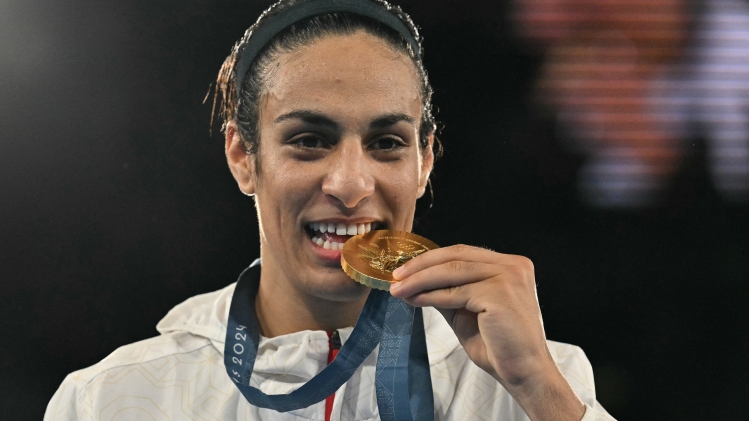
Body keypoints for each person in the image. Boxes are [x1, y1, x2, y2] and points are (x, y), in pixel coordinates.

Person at [45, 0, 615, 419]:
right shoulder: (112, 399)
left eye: (387, 143)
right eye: (309, 140)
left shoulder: (527, 384)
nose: (349, 184)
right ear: (244, 156)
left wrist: (540, 389)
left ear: (425, 161)